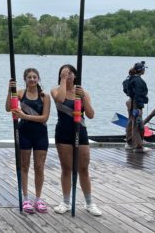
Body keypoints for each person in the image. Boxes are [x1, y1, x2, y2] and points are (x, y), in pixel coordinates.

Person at [51, 64, 102, 217]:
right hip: (63, 133)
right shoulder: (56, 90)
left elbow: (91, 114)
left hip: (81, 131)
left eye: (71, 72)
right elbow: (60, 99)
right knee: (66, 168)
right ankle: (66, 202)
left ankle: (89, 203)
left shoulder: (82, 92)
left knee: (83, 168)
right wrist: (63, 80)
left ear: (76, 75)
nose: (68, 75)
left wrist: (83, 97)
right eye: (65, 73)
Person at [5, 68, 50, 214]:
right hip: (24, 133)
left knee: (39, 167)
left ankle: (38, 199)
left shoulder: (45, 96)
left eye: (34, 77)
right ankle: (25, 198)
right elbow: (8, 108)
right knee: (24, 166)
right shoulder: (19, 93)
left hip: (40, 134)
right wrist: (9, 91)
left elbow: (44, 118)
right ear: (25, 79)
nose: (32, 79)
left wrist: (24, 116)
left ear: (38, 79)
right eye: (29, 77)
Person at [123, 61, 150, 153]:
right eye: (144, 69)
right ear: (141, 70)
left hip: (130, 102)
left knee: (131, 121)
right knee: (138, 124)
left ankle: (129, 143)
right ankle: (138, 146)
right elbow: (139, 94)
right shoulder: (139, 81)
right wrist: (139, 106)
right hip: (136, 104)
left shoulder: (129, 78)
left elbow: (125, 87)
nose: (144, 70)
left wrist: (130, 95)